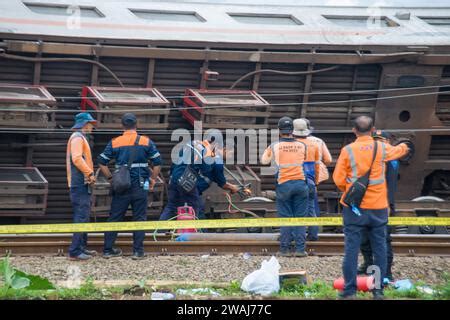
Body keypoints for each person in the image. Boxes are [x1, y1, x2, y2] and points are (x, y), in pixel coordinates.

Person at [333, 116, 409, 299]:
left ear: (354, 130)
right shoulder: (382, 147)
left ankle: (349, 290)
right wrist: (405, 145)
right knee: (379, 249)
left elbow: (337, 179)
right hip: (378, 207)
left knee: (351, 249)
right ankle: (378, 290)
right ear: (373, 129)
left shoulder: (348, 150)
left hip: (354, 208)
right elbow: (401, 150)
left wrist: (351, 190)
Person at [98, 113, 162, 260]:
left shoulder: (115, 142)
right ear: (136, 125)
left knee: (114, 217)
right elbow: (157, 163)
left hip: (121, 185)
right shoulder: (146, 141)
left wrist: (110, 178)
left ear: (123, 126)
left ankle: (107, 250)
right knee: (139, 217)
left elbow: (102, 162)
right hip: (140, 185)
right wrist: (152, 179)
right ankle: (137, 252)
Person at [261, 116, 309, 257]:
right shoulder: (302, 145)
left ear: (279, 130)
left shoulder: (274, 146)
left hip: (284, 185)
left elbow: (264, 161)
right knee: (300, 218)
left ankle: (284, 250)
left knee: (286, 217)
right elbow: (305, 161)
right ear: (292, 130)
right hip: (301, 184)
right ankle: (300, 250)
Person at [160, 139, 239, 221]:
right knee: (196, 208)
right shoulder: (213, 157)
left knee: (171, 207)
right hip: (187, 181)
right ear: (224, 149)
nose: (231, 156)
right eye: (231, 153)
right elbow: (207, 170)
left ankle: (159, 231)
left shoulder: (193, 143)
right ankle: (196, 232)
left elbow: (176, 160)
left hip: (174, 178)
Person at [358, 130, 399, 281]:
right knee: (364, 238)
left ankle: (386, 272)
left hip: (383, 205)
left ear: (388, 143)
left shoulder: (390, 159)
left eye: (381, 141)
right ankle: (369, 265)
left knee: (383, 239)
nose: (378, 144)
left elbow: (390, 186)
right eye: (375, 140)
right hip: (367, 204)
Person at [66, 112, 97, 261]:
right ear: (85, 124)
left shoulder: (79, 137)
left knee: (83, 216)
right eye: (91, 123)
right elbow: (77, 159)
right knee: (81, 216)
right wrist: (90, 173)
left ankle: (81, 247)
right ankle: (75, 251)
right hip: (79, 184)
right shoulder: (78, 138)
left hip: (80, 184)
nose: (92, 126)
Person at [301, 118, 333, 241]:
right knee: (312, 206)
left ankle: (298, 235)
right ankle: (313, 235)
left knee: (298, 207)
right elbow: (328, 160)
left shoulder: (292, 142)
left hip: (295, 177)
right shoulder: (318, 141)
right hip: (313, 177)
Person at [292, 119, 320, 235]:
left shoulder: (290, 146)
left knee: (296, 211)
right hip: (310, 181)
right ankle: (313, 235)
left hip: (295, 182)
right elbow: (317, 166)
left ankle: (296, 236)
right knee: (311, 209)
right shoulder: (314, 145)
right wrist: (316, 181)